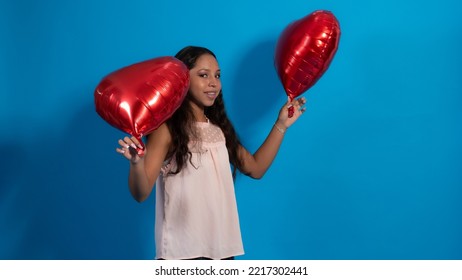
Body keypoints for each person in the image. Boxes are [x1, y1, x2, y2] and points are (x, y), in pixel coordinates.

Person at [116, 46, 306, 260]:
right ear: (182, 80)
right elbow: (140, 193)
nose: (213, 83)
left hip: (222, 252)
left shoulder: (218, 129)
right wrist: (136, 163)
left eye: (217, 76)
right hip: (182, 254)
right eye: (203, 75)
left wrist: (281, 124)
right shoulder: (166, 130)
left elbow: (256, 168)